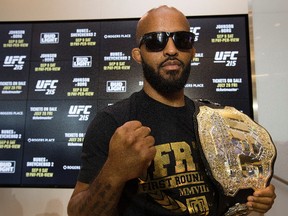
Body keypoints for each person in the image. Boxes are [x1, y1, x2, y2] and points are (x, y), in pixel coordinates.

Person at [67, 5, 276, 216]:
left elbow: (234, 198)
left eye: (182, 39)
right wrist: (113, 172)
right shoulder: (113, 122)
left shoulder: (216, 121)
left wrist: (255, 201)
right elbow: (77, 212)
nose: (171, 50)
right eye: (155, 41)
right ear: (138, 55)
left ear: (192, 51)